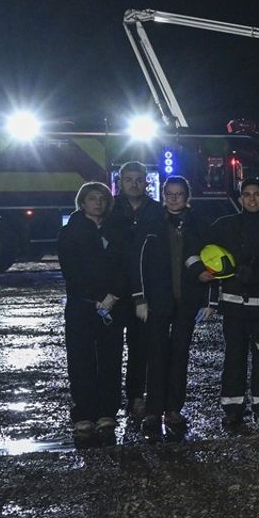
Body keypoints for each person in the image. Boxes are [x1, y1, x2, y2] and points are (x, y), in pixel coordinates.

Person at [129, 175, 211, 438]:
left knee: (180, 355)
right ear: (163, 195)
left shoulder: (198, 223)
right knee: (156, 355)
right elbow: (137, 260)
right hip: (157, 300)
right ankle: (153, 410)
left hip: (187, 301)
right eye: (170, 194)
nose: (174, 198)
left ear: (188, 196)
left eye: (179, 194)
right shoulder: (151, 221)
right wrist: (140, 297)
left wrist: (211, 299)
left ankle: (173, 408)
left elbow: (212, 260)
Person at [206, 178, 259, 433]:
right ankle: (233, 409)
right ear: (240, 198)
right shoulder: (223, 226)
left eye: (257, 195)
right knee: (234, 358)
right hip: (234, 305)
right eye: (247, 195)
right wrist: (212, 298)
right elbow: (209, 261)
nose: (252, 199)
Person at [59, 182, 127, 438]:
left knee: (111, 359)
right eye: (91, 198)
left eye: (101, 198)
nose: (97, 203)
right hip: (82, 306)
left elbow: (124, 265)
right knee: (81, 360)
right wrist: (96, 298)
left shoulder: (117, 231)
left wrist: (113, 295)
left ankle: (107, 412)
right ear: (82, 202)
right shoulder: (70, 233)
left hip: (112, 304)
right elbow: (71, 271)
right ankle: (84, 413)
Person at [105, 160, 158, 419]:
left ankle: (136, 398)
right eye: (129, 180)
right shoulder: (109, 211)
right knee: (110, 350)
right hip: (115, 292)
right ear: (120, 182)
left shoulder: (157, 211)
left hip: (144, 292)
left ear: (146, 181)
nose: (134, 184)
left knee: (141, 348)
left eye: (139, 179)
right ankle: (110, 402)